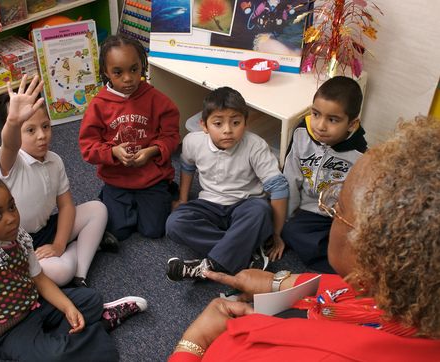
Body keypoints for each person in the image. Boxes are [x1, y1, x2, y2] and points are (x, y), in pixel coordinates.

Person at [169, 115, 440, 361]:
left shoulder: (253, 353)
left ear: (368, 250)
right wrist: (280, 282)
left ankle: (217, 261)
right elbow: (352, 293)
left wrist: (195, 341)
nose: (331, 211)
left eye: (337, 209)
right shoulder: (407, 296)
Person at [0, 147, 147, 361]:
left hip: (35, 306)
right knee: (55, 355)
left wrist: (68, 307)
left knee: (91, 300)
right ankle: (95, 330)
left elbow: (39, 279)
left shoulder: (20, 238)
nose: (10, 218)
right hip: (9, 333)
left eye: (11, 207)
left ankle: (65, 340)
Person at [0, 74, 118, 288]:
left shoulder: (55, 160)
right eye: (30, 130)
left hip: (46, 229)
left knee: (98, 209)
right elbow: (9, 144)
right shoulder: (10, 162)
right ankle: (82, 248)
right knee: (61, 272)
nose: (42, 135)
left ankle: (81, 274)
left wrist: (59, 245)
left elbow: (66, 205)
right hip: (19, 243)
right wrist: (13, 121)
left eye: (46, 126)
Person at [165, 87, 288, 282]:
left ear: (246, 123)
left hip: (245, 205)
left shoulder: (255, 146)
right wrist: (182, 199)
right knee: (174, 223)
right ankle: (244, 250)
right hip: (210, 205)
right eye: (218, 123)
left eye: (236, 122)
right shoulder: (193, 141)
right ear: (204, 126)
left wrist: (277, 234)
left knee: (261, 210)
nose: (227, 130)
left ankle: (207, 266)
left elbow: (279, 187)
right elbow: (187, 166)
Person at [79, 34, 180, 241]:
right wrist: (113, 152)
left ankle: (161, 192)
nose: (128, 78)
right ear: (106, 72)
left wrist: (151, 151)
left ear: (142, 66)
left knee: (153, 231)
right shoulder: (98, 105)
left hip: (152, 177)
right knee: (117, 232)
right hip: (117, 178)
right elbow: (88, 148)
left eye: (134, 69)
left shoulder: (158, 100)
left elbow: (171, 136)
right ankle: (114, 199)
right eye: (118, 72)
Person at [281, 76, 368, 273]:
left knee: (363, 242)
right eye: (316, 114)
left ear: (352, 124)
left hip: (341, 218)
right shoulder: (301, 134)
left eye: (332, 120)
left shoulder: (360, 155)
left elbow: (360, 203)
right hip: (312, 214)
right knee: (290, 230)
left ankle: (348, 264)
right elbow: (290, 178)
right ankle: (341, 268)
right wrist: (285, 220)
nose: (320, 126)